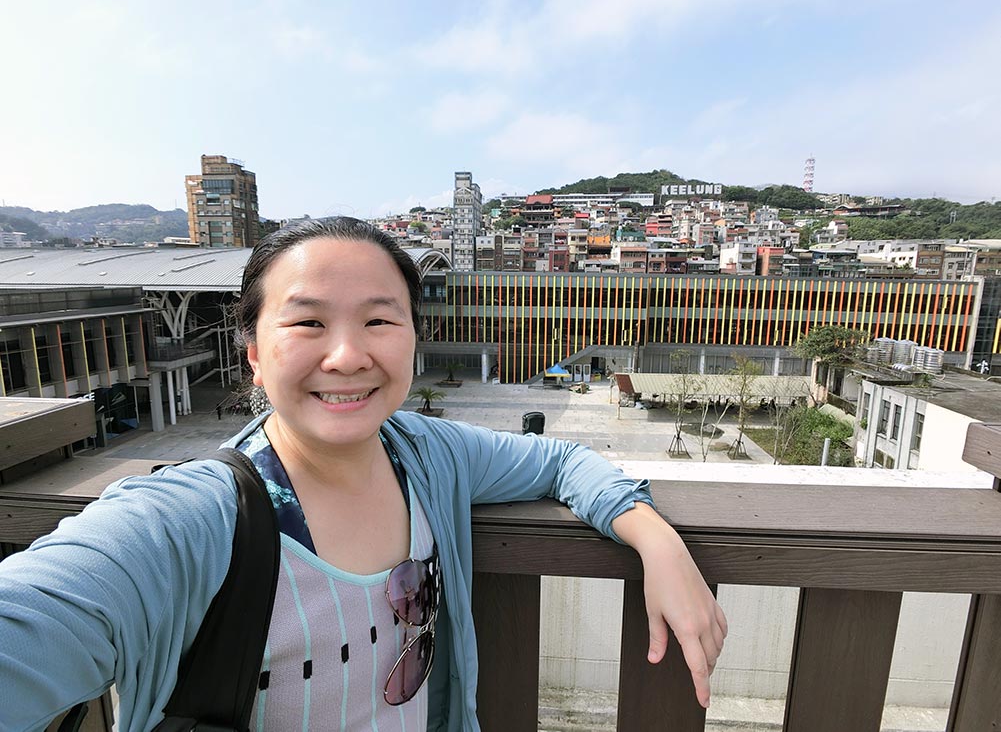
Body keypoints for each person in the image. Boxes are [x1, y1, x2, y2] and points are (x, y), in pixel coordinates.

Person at [0, 217, 726, 731]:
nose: (347, 355)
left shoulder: (427, 454)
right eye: (308, 323)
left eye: (379, 321)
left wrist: (655, 540)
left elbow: (563, 458)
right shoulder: (187, 519)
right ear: (252, 350)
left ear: (414, 337)